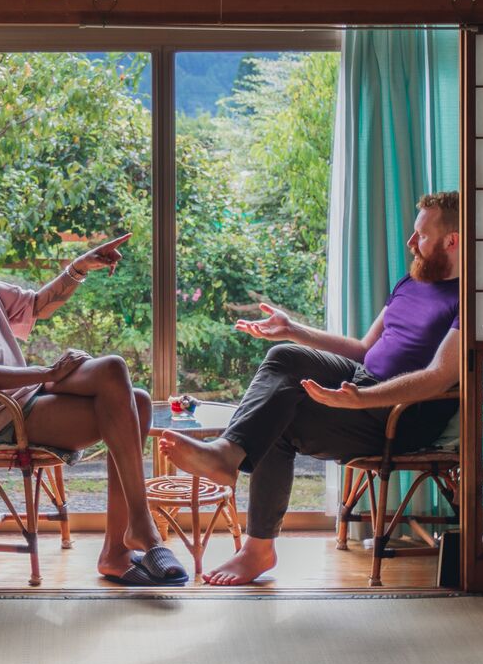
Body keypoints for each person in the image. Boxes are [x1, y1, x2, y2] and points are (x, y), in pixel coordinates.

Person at [159, 190, 464, 585]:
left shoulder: (467, 299)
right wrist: (293, 329)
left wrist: (363, 399)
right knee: (285, 354)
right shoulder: (411, 282)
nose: (410, 243)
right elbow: (362, 349)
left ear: (451, 241)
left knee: (279, 419)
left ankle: (257, 547)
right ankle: (227, 456)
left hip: (399, 416)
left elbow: (440, 376)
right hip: (363, 383)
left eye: (420, 235)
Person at [0, 196, 188, 586]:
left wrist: (79, 267)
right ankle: (130, 539)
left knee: (124, 383)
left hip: (27, 396)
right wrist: (46, 372)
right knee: (133, 403)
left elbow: (34, 306)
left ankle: (127, 539)